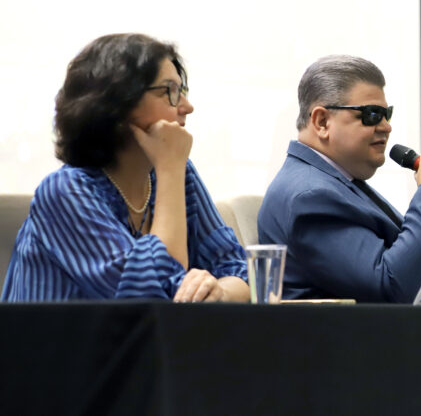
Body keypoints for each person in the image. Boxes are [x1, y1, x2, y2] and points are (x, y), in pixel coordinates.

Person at [1, 34, 249, 302]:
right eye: (170, 92)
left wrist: (218, 292)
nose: (187, 107)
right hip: (57, 344)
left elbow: (241, 272)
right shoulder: (63, 191)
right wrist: (168, 168)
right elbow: (153, 297)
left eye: (183, 91)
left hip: (142, 343)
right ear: (117, 103)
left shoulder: (179, 173)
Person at [258, 55, 421, 303]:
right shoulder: (310, 196)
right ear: (322, 121)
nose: (386, 126)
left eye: (386, 114)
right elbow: (391, 287)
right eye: (371, 114)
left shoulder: (334, 182)